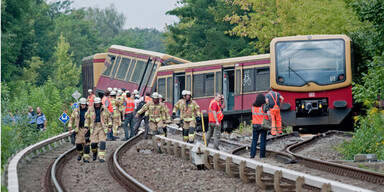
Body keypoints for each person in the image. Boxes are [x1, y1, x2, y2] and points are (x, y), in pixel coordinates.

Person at [84, 97, 111, 162]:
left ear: (100, 103)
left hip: (102, 127)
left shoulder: (104, 109)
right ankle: (94, 153)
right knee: (93, 144)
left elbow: (109, 117)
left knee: (102, 142)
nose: (97, 105)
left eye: (98, 103)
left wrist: (109, 126)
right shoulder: (90, 109)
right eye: (96, 104)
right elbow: (87, 119)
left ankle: (101, 157)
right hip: (93, 127)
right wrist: (86, 127)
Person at [68, 98, 90, 162]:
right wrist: (70, 126)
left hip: (87, 129)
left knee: (87, 144)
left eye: (84, 104)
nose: (83, 105)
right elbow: (71, 118)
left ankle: (86, 157)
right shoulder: (76, 111)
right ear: (80, 104)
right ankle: (80, 153)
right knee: (78, 143)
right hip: (79, 129)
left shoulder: (89, 111)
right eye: (82, 104)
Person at [250, 94, 270, 158]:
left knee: (254, 140)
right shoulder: (264, 107)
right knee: (263, 140)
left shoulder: (253, 106)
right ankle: (262, 155)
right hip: (263, 125)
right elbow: (268, 114)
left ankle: (252, 155)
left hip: (255, 125)